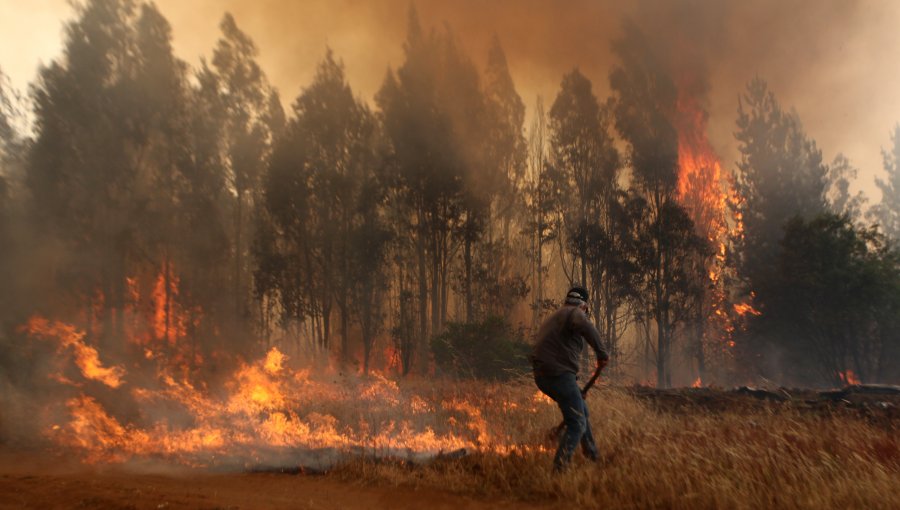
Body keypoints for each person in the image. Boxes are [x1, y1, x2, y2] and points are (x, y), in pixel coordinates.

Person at [531, 284, 609, 471]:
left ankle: (592, 455)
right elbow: (584, 325)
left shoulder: (556, 316)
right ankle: (559, 469)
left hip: (543, 377)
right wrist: (602, 353)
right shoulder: (575, 312)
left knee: (582, 411)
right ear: (584, 305)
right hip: (560, 375)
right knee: (577, 423)